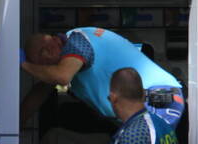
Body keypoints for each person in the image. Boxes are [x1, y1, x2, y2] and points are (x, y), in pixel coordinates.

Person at [21, 28, 184, 128]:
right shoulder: (65, 59)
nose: (45, 63)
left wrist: (23, 65)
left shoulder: (77, 41)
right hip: (149, 102)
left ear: (56, 41)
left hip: (158, 97)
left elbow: (62, 76)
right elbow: (40, 91)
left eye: (45, 52)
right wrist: (16, 124)